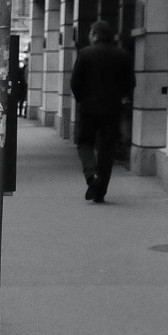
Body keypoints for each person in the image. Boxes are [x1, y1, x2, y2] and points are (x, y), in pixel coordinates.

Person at [69, 19, 135, 203]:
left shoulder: (85, 54)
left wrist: (82, 98)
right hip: (113, 109)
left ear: (96, 35)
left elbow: (75, 82)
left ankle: (91, 176)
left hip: (89, 108)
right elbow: (130, 83)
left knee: (85, 142)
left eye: (90, 33)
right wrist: (118, 96)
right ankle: (101, 190)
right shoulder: (123, 56)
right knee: (107, 149)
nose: (89, 37)